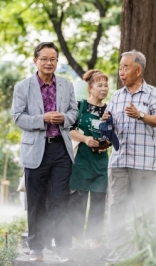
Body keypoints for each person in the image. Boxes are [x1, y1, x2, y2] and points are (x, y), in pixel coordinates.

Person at [11, 42, 78, 262]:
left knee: (60, 199)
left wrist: (64, 119)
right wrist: (43, 119)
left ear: (57, 61)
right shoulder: (23, 87)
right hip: (35, 150)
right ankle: (36, 248)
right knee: (36, 200)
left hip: (61, 149)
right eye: (44, 59)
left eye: (53, 59)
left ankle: (63, 247)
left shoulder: (67, 85)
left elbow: (73, 112)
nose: (49, 63)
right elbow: (18, 117)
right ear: (35, 61)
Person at [102, 50, 156, 260]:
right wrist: (106, 122)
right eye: (120, 68)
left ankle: (144, 250)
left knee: (144, 206)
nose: (121, 72)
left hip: (144, 162)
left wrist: (140, 115)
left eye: (126, 67)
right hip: (119, 160)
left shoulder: (154, 94)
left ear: (138, 70)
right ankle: (118, 251)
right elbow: (111, 127)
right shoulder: (116, 96)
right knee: (117, 205)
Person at [68, 70, 110, 249]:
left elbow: (112, 137)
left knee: (99, 200)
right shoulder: (80, 106)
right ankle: (76, 238)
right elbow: (68, 130)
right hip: (82, 160)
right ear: (90, 88)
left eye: (106, 85)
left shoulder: (109, 110)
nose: (104, 88)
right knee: (78, 200)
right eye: (100, 85)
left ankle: (94, 238)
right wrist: (86, 139)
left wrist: (105, 141)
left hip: (100, 161)